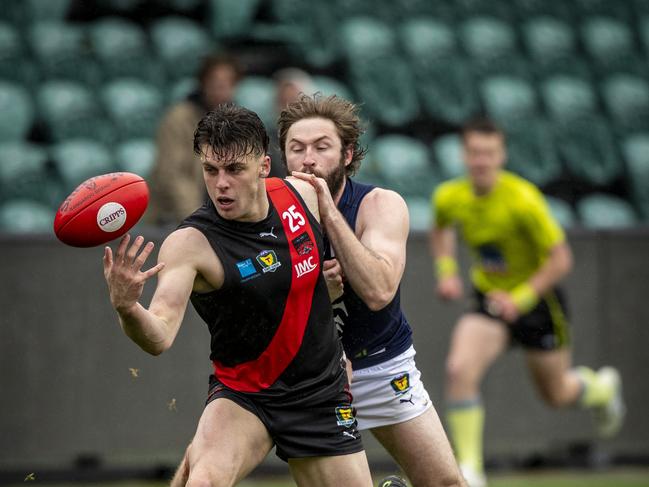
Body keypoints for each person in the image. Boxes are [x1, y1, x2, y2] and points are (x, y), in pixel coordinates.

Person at [104, 103, 374, 487]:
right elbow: (159, 336)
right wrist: (127, 306)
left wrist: (327, 280)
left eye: (234, 170)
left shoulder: (302, 194)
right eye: (210, 170)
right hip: (245, 396)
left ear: (264, 167)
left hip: (319, 393)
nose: (220, 184)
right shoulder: (191, 244)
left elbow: (321, 263)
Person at [279, 93, 466, 487]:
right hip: (309, 376)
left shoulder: (379, 204)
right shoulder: (265, 215)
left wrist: (328, 213)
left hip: (381, 366)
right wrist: (317, 294)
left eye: (321, 147)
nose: (307, 159)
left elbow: (379, 290)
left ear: (347, 154)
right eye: (296, 149)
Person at [430, 117, 626, 487]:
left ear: (501, 155)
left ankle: (601, 389)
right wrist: (447, 271)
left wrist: (521, 298)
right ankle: (471, 471)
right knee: (459, 369)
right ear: (463, 154)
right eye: (474, 152)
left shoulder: (523, 200)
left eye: (488, 153)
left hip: (537, 302)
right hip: (490, 301)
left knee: (557, 394)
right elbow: (440, 229)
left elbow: (561, 259)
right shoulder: (449, 196)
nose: (481, 160)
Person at [148, 52, 242, 226]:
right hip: (172, 219)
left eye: (227, 82)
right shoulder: (179, 118)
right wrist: (197, 222)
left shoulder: (237, 122)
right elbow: (172, 175)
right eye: (215, 81)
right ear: (203, 83)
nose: (221, 87)